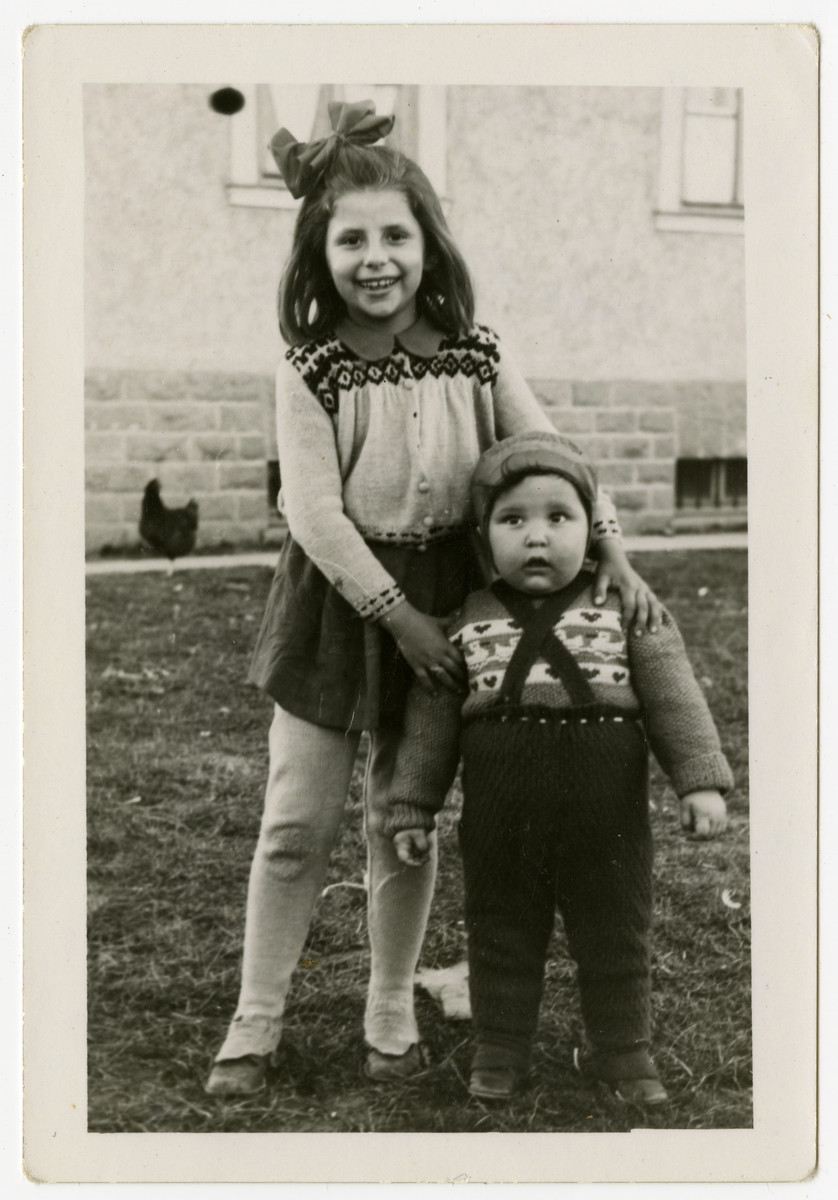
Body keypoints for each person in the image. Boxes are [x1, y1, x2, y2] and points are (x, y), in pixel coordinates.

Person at [206, 100, 662, 1097]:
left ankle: (388, 1007)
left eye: (395, 236)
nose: (377, 259)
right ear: (318, 254)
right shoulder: (310, 368)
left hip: (452, 605)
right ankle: (254, 1022)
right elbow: (312, 512)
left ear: (428, 243)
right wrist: (393, 616)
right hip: (343, 604)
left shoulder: (476, 353)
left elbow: (554, 459)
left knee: (400, 817)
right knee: (295, 820)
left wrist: (614, 552)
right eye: (352, 239)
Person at [385, 431, 733, 1105]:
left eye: (559, 518)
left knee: (615, 928)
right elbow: (429, 725)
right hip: (500, 817)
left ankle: (624, 1055)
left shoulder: (627, 609)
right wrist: (413, 806)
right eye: (514, 520)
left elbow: (675, 697)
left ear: (593, 529)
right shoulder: (464, 625)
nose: (537, 538)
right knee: (501, 928)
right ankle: (500, 1051)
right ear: (484, 536)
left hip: (606, 816)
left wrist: (700, 780)